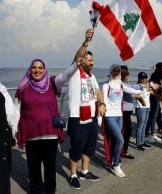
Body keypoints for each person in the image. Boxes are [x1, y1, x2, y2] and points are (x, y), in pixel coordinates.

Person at [15, 57, 82, 194]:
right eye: (34, 67)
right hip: (31, 135)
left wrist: (75, 65)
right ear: (30, 69)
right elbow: (16, 110)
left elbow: (64, 76)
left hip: (50, 134)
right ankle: (36, 191)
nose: (37, 70)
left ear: (44, 70)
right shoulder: (23, 87)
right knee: (33, 167)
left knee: (50, 166)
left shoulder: (52, 83)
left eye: (40, 67)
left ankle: (50, 191)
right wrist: (15, 131)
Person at [67, 29, 106, 190]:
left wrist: (102, 104)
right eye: (89, 60)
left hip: (91, 117)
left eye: (92, 60)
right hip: (77, 117)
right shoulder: (74, 72)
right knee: (77, 145)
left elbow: (97, 92)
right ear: (81, 61)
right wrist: (86, 42)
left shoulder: (92, 76)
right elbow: (78, 56)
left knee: (90, 146)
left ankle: (84, 171)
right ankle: (73, 175)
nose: (92, 63)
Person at [102, 64, 145, 178]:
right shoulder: (106, 85)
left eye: (118, 71)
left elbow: (132, 90)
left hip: (119, 116)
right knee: (121, 141)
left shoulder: (120, 85)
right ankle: (116, 165)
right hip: (109, 116)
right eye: (114, 71)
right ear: (110, 72)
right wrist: (99, 117)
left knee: (116, 141)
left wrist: (144, 89)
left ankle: (111, 163)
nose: (116, 72)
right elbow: (103, 102)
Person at [133, 72, 162, 150]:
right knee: (140, 126)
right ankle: (138, 144)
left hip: (147, 107)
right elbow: (135, 95)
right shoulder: (137, 86)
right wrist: (146, 88)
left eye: (145, 78)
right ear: (139, 78)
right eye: (142, 78)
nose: (144, 79)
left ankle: (142, 141)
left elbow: (153, 93)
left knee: (144, 125)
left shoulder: (148, 86)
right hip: (140, 108)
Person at [0, 74, 16, 194]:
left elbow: (10, 115)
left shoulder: (3, 89)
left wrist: (12, 135)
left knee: (5, 170)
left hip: (5, 134)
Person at [145, 62, 162, 142]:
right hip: (153, 99)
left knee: (154, 116)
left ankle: (151, 133)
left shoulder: (159, 78)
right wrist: (159, 96)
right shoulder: (155, 78)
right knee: (152, 116)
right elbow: (152, 90)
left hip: (157, 99)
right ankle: (149, 134)